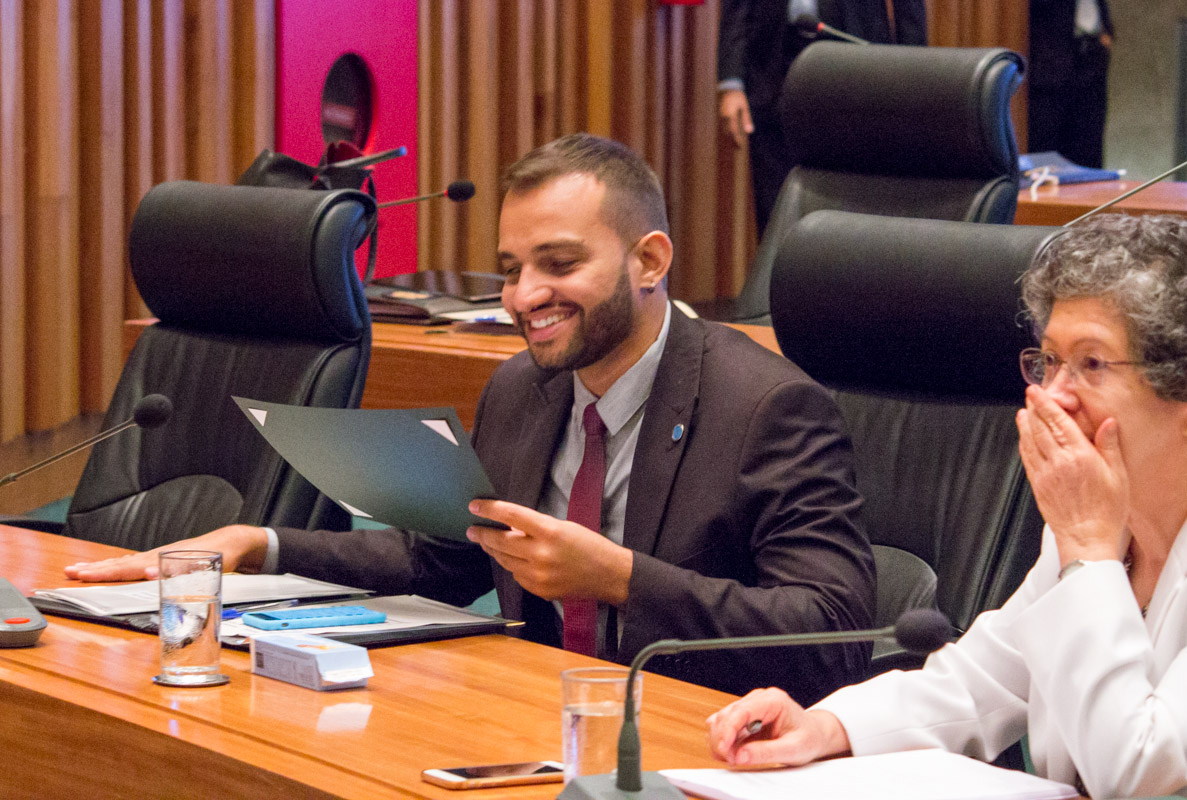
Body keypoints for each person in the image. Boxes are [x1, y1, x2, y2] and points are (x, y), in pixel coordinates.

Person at [67, 133, 875, 704]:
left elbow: (834, 633)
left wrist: (620, 579)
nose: (525, 297)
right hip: (535, 715)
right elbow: (446, 562)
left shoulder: (767, 407)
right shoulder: (520, 388)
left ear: (650, 261)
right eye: (512, 269)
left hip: (696, 736)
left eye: (560, 264)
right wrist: (259, 545)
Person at [707, 213, 1187, 799]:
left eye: (1091, 364)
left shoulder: (1088, 532)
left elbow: (1141, 774)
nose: (1052, 395)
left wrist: (1089, 553)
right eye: (1048, 361)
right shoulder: (1100, 528)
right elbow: (979, 682)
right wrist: (827, 726)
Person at [718, 0, 927, 238]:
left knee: (855, 218)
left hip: (857, 59)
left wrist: (909, 72)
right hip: (771, 68)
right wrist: (731, 82)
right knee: (776, 219)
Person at [1027, 0, 1114, 169]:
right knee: (1046, 153)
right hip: (1050, 59)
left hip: (1091, 56)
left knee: (1088, 150)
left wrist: (1105, 30)